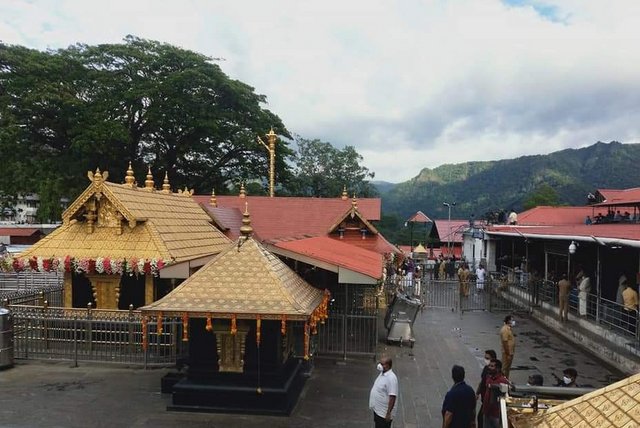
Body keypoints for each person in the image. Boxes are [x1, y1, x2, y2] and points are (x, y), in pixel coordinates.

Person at [369, 356, 398, 427]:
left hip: (383, 414)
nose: (379, 365)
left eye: (382, 364)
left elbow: (392, 397)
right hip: (378, 410)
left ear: (388, 365)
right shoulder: (383, 373)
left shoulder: (391, 378)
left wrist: (388, 413)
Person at [482, 359, 509, 428]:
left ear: (498, 369)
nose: (489, 367)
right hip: (487, 413)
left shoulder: (502, 381)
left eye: (492, 366)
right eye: (489, 366)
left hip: (496, 415)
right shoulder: (488, 377)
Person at [476, 350, 497, 428]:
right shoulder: (485, 369)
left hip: (490, 404)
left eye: (487, 358)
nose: (486, 360)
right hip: (484, 400)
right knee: (481, 419)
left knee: (482, 419)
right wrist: (477, 393)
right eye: (485, 358)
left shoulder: (497, 374)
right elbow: (482, 382)